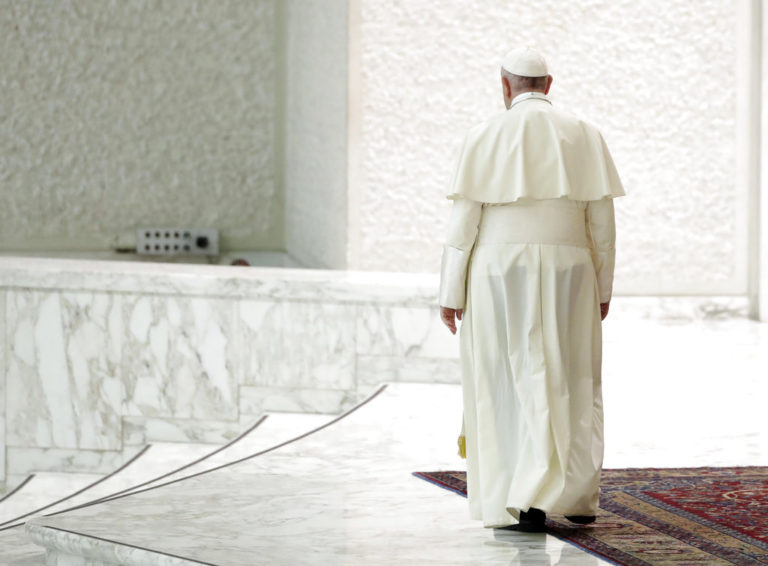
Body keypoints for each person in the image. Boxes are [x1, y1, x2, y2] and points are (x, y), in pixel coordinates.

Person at [438, 46, 625, 532]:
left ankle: (514, 499)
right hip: (571, 268)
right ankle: (578, 497)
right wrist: (604, 286)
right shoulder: (585, 135)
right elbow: (602, 223)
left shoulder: (482, 136)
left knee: (503, 377)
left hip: (499, 270)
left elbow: (463, 225)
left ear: (505, 86)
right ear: (549, 84)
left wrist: (449, 292)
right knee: (574, 375)